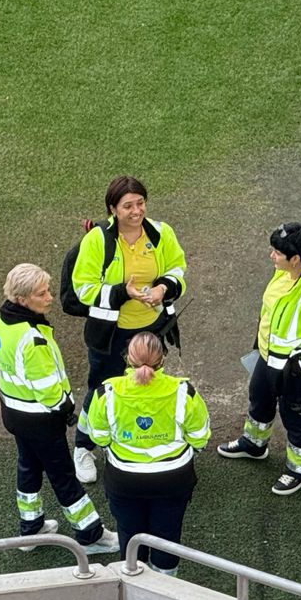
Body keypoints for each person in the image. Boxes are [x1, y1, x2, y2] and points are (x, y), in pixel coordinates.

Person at [0, 263, 120, 555]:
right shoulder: (33, 339)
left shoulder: (1, 319)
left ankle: (31, 529)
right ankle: (90, 535)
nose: (50, 297)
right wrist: (66, 407)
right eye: (41, 293)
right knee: (64, 478)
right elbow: (49, 390)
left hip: (14, 412)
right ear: (23, 299)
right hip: (40, 420)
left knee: (28, 468)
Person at [71, 176, 187, 484]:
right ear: (112, 209)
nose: (136, 211)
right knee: (100, 389)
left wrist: (163, 288)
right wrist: (124, 293)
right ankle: (83, 447)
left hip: (151, 329)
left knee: (144, 384)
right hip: (112, 335)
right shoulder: (97, 240)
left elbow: (177, 268)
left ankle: (128, 438)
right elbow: (83, 288)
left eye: (140, 203)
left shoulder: (162, 233)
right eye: (127, 206)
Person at [217, 222, 301, 496]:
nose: (271, 256)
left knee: (297, 415)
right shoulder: (287, 271)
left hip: (294, 370)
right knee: (259, 396)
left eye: (277, 253)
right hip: (270, 356)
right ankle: (254, 444)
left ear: (295, 259)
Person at [87, 332, 209, 577]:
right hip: (173, 479)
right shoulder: (184, 391)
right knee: (168, 533)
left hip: (124, 478)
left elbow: (98, 436)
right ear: (161, 359)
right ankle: (165, 582)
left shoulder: (106, 392)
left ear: (127, 359)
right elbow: (200, 437)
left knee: (129, 533)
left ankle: (133, 578)